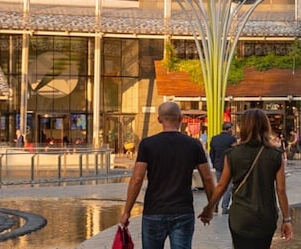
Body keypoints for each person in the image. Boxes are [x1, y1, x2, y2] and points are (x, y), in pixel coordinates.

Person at [120, 102, 216, 248]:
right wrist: (210, 208)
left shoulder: (147, 144)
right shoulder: (194, 144)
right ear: (181, 118)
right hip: (183, 210)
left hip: (154, 210)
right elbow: (208, 179)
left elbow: (137, 179)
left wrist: (127, 211)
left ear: (159, 119)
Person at [202, 109, 292, 249]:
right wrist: (287, 219)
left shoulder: (233, 154)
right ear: (265, 126)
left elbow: (222, 186)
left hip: (240, 216)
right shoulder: (275, 155)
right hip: (266, 215)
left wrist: (209, 208)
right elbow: (281, 190)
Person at [209, 123, 237, 214]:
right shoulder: (232, 139)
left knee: (219, 186)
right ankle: (224, 207)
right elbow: (234, 152)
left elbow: (211, 153)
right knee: (228, 187)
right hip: (229, 165)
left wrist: (214, 163)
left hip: (218, 166)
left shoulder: (214, 139)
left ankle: (215, 205)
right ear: (229, 129)